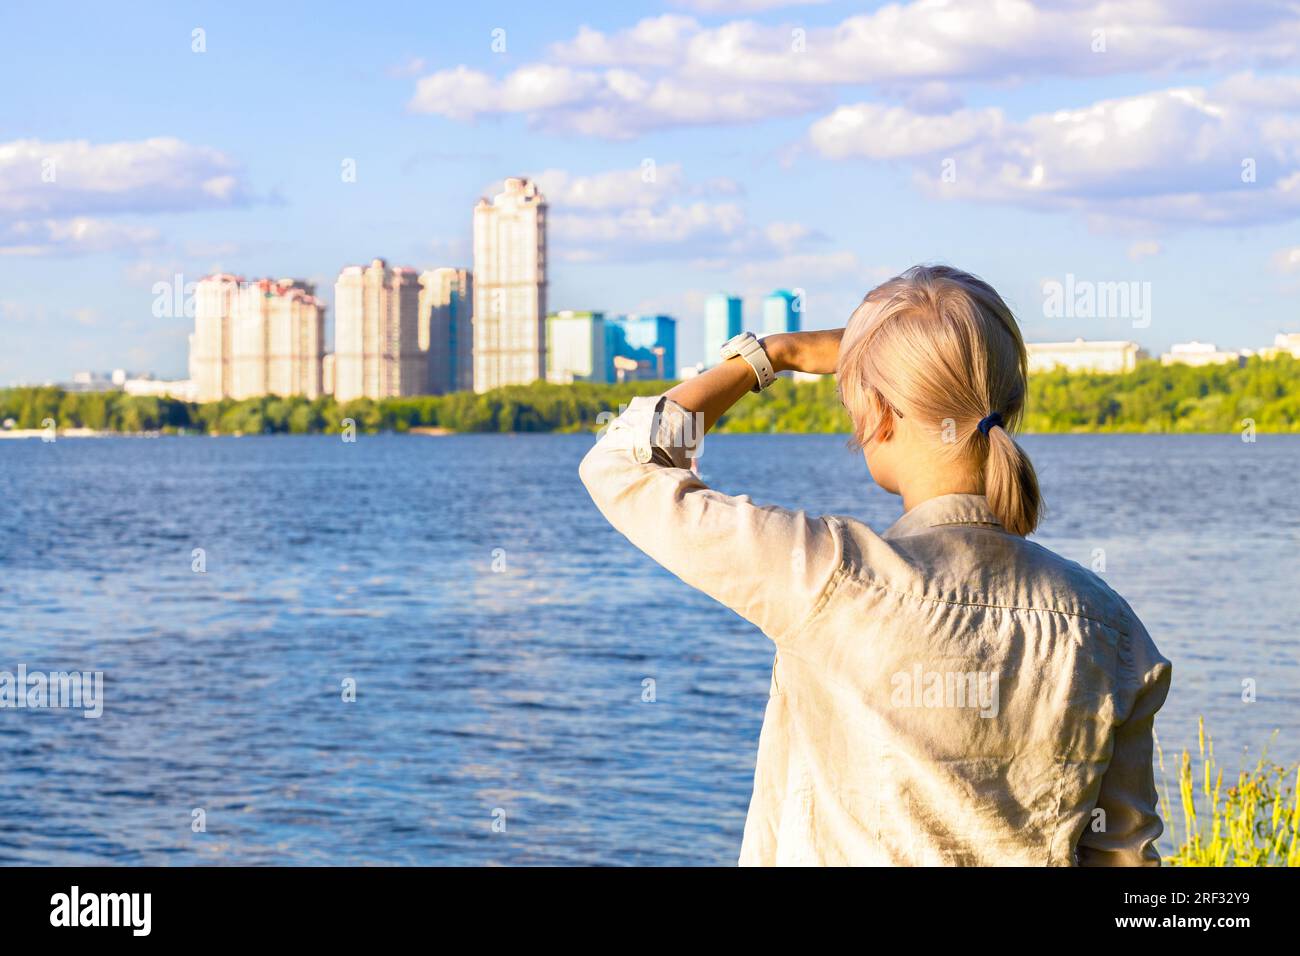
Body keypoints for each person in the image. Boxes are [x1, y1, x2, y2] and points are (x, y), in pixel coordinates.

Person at [579, 264, 1171, 866]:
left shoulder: (825, 576)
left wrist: (770, 356)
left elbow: (622, 466)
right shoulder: (1108, 626)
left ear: (878, 412)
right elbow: (1122, 856)